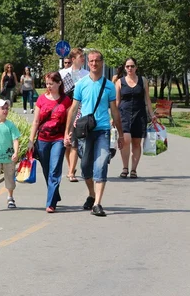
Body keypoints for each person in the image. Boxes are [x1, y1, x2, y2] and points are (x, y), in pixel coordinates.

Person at [65, 49, 124, 217]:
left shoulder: (109, 86)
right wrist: (67, 132)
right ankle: (91, 194)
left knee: (101, 164)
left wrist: (120, 134)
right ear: (87, 63)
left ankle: (97, 203)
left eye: (97, 60)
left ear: (102, 62)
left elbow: (115, 111)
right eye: (91, 61)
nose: (94, 63)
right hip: (85, 131)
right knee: (84, 168)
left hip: (102, 131)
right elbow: (73, 108)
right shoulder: (82, 84)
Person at [28, 72, 72, 213]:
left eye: (51, 84)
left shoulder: (66, 101)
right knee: (47, 170)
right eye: (47, 84)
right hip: (42, 140)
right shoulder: (41, 99)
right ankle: (55, 194)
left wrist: (67, 136)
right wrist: (30, 140)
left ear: (59, 83)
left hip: (58, 139)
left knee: (54, 170)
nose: (49, 86)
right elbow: (35, 121)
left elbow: (69, 122)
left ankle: (50, 203)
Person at [116, 57, 156, 179]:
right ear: (124, 68)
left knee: (137, 143)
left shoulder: (143, 81)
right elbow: (117, 102)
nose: (130, 68)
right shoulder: (119, 82)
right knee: (125, 140)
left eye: (132, 66)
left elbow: (147, 99)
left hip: (139, 114)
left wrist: (152, 114)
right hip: (124, 114)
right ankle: (125, 167)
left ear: (136, 67)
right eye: (127, 66)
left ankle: (133, 169)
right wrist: (114, 116)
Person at [59, 48, 89, 182]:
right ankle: (71, 165)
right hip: (65, 109)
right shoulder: (63, 74)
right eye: (80, 56)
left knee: (75, 139)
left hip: (81, 110)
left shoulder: (87, 74)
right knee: (67, 141)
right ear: (72, 59)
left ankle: (71, 172)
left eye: (83, 56)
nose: (83, 58)